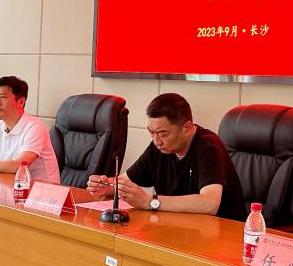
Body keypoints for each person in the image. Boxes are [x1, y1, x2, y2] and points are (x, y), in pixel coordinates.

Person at [87, 93, 246, 221]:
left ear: (187, 128)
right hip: (178, 228)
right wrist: (107, 185)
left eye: (163, 133)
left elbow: (210, 203)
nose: (156, 140)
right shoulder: (158, 147)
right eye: (151, 132)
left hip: (222, 234)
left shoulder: (208, 146)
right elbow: (124, 182)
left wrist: (149, 202)